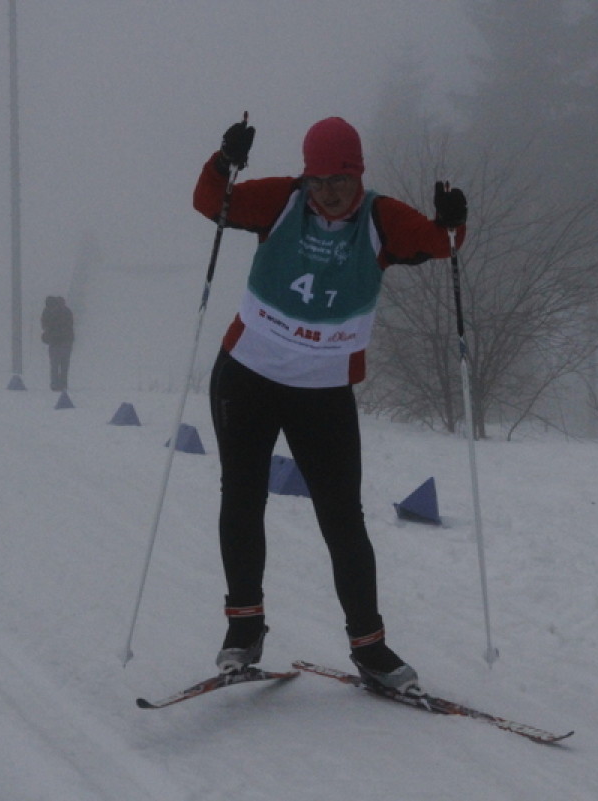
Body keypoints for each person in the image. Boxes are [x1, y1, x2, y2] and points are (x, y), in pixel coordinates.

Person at [193, 116, 467, 693]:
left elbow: (439, 244)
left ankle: (371, 650)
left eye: (337, 180)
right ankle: (243, 631)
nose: (326, 193)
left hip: (321, 392)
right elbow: (210, 203)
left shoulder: (380, 218)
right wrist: (224, 159)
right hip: (247, 376)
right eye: (316, 181)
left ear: (357, 175)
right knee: (241, 498)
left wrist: (452, 221)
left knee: (342, 519)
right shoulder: (281, 203)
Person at [41, 295, 74, 391]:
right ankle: (63, 384)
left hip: (55, 342)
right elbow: (70, 326)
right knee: (64, 364)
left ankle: (55, 384)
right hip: (67, 341)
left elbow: (45, 326)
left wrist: (47, 335)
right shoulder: (67, 311)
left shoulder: (48, 312)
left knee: (54, 364)